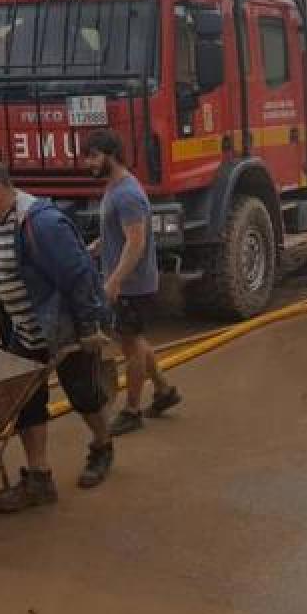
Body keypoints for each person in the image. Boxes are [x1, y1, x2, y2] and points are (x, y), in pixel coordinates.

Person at [0, 158, 113, 513]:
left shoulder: (42, 224)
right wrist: (7, 333)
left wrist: (89, 329)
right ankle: (40, 479)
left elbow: (81, 277)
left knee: (83, 396)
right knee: (27, 403)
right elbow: (4, 286)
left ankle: (103, 445)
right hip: (25, 333)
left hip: (63, 330)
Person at [82, 131, 180, 437]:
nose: (89, 163)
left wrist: (114, 281)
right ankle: (164, 390)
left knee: (131, 346)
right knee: (134, 340)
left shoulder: (127, 194)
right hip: (126, 282)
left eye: (94, 156)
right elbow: (124, 233)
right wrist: (100, 244)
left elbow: (135, 243)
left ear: (111, 154)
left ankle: (132, 410)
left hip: (133, 285)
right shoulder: (115, 187)